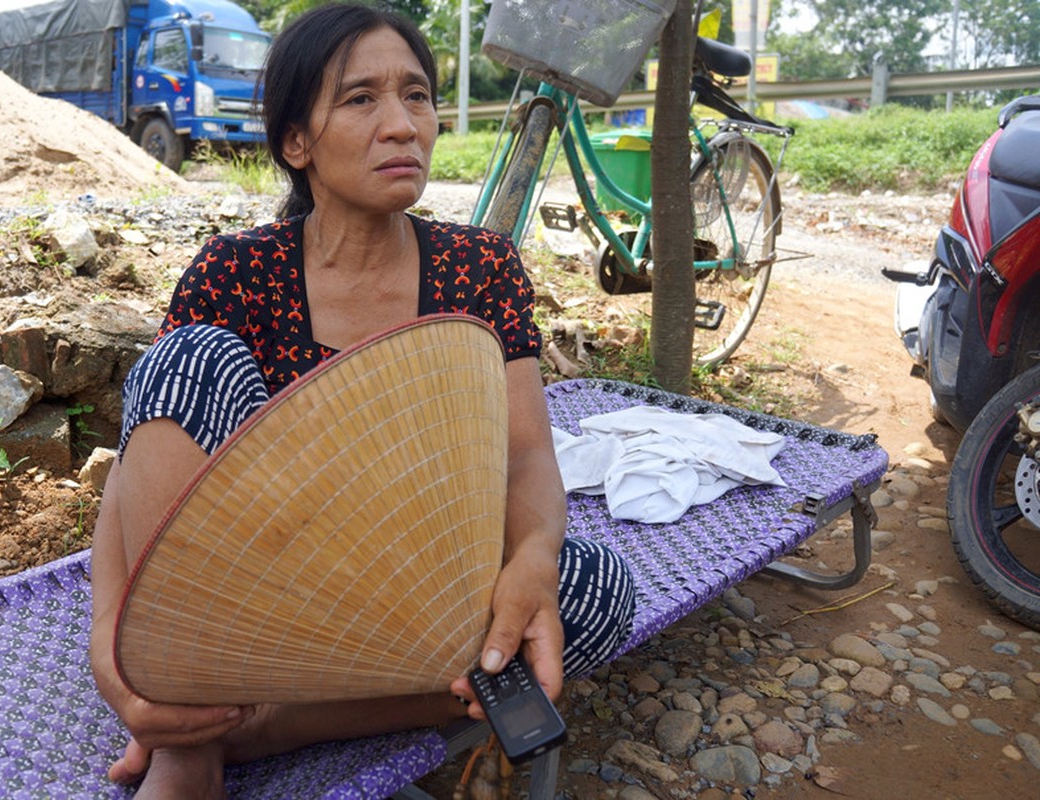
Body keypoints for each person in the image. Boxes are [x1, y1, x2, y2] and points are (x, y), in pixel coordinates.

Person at [89, 4, 638, 797]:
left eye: (416, 96)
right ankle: (184, 723)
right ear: (295, 142)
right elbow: (137, 484)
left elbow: (523, 453)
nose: (401, 126)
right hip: (262, 581)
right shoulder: (236, 272)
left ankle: (251, 729)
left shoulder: (479, 270)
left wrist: (531, 559)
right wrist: (115, 660)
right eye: (360, 99)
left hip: (414, 582)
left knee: (591, 591)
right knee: (186, 358)